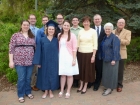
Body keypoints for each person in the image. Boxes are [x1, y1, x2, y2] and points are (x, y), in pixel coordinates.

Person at [9, 20, 35, 103]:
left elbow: (35, 48)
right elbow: (11, 49)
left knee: (28, 78)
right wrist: (11, 61)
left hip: (30, 61)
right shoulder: (15, 35)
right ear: (21, 25)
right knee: (21, 78)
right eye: (24, 25)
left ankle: (28, 92)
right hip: (19, 61)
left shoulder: (32, 36)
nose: (26, 26)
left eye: (27, 25)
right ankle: (20, 94)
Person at [33, 20, 59, 98]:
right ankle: (46, 91)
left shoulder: (56, 40)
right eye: (49, 29)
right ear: (47, 30)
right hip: (44, 61)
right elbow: (38, 51)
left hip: (54, 61)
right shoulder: (42, 40)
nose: (51, 30)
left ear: (54, 30)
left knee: (53, 76)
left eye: (52, 29)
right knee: (44, 76)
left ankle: (51, 91)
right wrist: (38, 62)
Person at [58, 20, 79, 98]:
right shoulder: (59, 35)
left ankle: (68, 91)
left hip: (70, 57)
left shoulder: (72, 35)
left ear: (69, 27)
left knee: (69, 75)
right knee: (63, 75)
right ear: (62, 26)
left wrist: (74, 59)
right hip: (62, 57)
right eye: (65, 25)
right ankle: (62, 90)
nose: (66, 27)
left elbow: (74, 48)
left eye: (67, 25)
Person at [77, 16, 98, 94]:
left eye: (87, 22)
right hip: (80, 54)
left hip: (89, 54)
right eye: (84, 22)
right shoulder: (80, 31)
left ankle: (85, 86)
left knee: (87, 70)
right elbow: (78, 43)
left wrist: (93, 55)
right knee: (81, 70)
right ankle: (81, 85)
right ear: (82, 23)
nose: (86, 23)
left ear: (90, 22)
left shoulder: (93, 31)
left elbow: (95, 45)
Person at [100, 22, 120, 96]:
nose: (107, 30)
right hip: (105, 58)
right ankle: (108, 87)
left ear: (111, 30)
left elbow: (116, 49)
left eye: (109, 29)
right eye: (106, 29)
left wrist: (114, 60)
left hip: (112, 60)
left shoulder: (115, 38)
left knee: (111, 74)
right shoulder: (105, 37)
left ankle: (110, 88)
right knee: (106, 74)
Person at [112, 18, 131, 92]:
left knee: (120, 70)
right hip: (112, 54)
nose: (121, 24)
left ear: (124, 24)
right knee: (113, 69)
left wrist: (119, 39)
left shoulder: (128, 32)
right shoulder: (112, 31)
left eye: (122, 23)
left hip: (121, 53)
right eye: (119, 22)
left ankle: (119, 85)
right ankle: (113, 83)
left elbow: (128, 42)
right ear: (117, 23)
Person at [88, 14, 106, 91]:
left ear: (101, 19)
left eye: (98, 19)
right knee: (91, 68)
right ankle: (91, 81)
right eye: (95, 19)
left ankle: (97, 83)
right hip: (90, 51)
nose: (97, 20)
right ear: (93, 20)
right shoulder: (89, 29)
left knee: (99, 69)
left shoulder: (105, 29)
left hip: (101, 53)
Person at [70, 16, 83, 87]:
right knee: (72, 64)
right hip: (71, 51)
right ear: (72, 22)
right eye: (73, 20)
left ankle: (78, 80)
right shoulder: (69, 29)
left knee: (79, 65)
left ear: (78, 21)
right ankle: (73, 81)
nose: (75, 21)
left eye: (76, 20)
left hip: (79, 50)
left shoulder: (82, 30)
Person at [28, 14, 39, 91]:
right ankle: (27, 85)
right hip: (28, 52)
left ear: (36, 20)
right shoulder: (26, 28)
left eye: (34, 19)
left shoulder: (38, 30)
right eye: (31, 19)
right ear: (29, 20)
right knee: (28, 69)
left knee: (35, 70)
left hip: (36, 51)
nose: (32, 20)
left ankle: (32, 84)